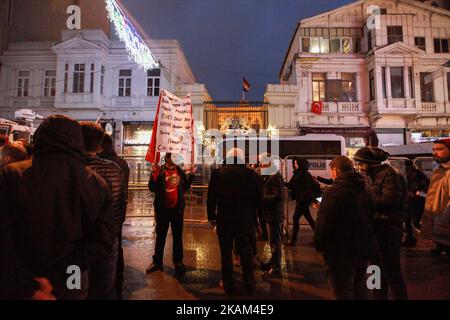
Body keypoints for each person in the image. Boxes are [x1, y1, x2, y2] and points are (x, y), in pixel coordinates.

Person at [0, 115, 114, 300]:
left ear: (40, 138)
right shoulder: (96, 184)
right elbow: (102, 242)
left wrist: (30, 286)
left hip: (24, 277)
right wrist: (65, 271)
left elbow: (3, 237)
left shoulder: (11, 175)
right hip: (73, 276)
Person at [314, 156, 376, 300]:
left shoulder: (334, 192)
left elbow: (324, 223)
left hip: (340, 252)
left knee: (343, 292)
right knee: (360, 290)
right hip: (363, 248)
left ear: (336, 171)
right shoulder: (366, 188)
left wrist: (319, 244)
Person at [80, 122, 127, 300]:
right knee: (105, 290)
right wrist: (112, 233)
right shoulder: (114, 169)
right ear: (100, 145)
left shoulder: (73, 168)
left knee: (75, 288)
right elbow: (121, 205)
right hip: (107, 241)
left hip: (77, 246)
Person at [354, 147, 408, 300]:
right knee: (375, 270)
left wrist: (364, 202)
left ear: (369, 163)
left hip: (389, 229)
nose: (359, 167)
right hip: (374, 229)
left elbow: (389, 202)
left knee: (392, 272)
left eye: (361, 163)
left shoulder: (390, 176)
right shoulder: (371, 176)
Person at [207, 148, 262, 294]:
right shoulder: (251, 174)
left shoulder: (218, 174)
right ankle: (249, 282)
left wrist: (211, 218)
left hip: (224, 220)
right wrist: (255, 219)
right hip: (245, 221)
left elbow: (211, 198)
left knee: (226, 254)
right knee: (245, 252)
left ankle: (228, 283)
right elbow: (258, 199)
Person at [146, 153, 194, 276]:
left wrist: (191, 174)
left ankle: (178, 262)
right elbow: (152, 188)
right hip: (163, 210)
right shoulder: (160, 170)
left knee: (177, 237)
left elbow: (185, 187)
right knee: (160, 236)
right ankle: (157, 262)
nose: (176, 158)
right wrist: (154, 174)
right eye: (173, 156)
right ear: (167, 158)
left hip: (177, 210)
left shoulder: (179, 171)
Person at [98, 133, 130, 299]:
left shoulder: (99, 164)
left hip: (101, 218)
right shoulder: (122, 163)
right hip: (117, 216)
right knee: (116, 249)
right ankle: (117, 283)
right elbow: (124, 193)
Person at [422, 139, 450, 257]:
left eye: (439, 149)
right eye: (434, 150)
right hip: (440, 230)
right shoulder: (439, 171)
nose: (434, 153)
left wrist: (441, 222)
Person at [258, 153, 284, 277]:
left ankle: (276, 267)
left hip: (274, 213)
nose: (260, 166)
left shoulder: (274, 176)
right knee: (272, 240)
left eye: (262, 163)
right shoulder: (270, 175)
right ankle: (273, 263)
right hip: (271, 213)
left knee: (275, 241)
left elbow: (278, 195)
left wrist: (262, 198)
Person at [286, 157, 320, 246]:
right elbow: (290, 185)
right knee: (310, 219)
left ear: (301, 164)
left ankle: (293, 240)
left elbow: (308, 188)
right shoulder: (297, 173)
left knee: (295, 218)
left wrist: (308, 200)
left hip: (303, 201)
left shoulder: (304, 174)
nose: (294, 165)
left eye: (296, 163)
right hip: (301, 200)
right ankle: (319, 238)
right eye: (294, 163)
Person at [403, 160, 429, 247]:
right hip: (410, 203)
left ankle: (431, 235)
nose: (407, 171)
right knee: (407, 221)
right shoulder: (407, 178)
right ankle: (409, 239)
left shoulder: (421, 178)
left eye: (408, 169)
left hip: (418, 204)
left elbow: (426, 193)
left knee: (416, 223)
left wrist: (416, 194)